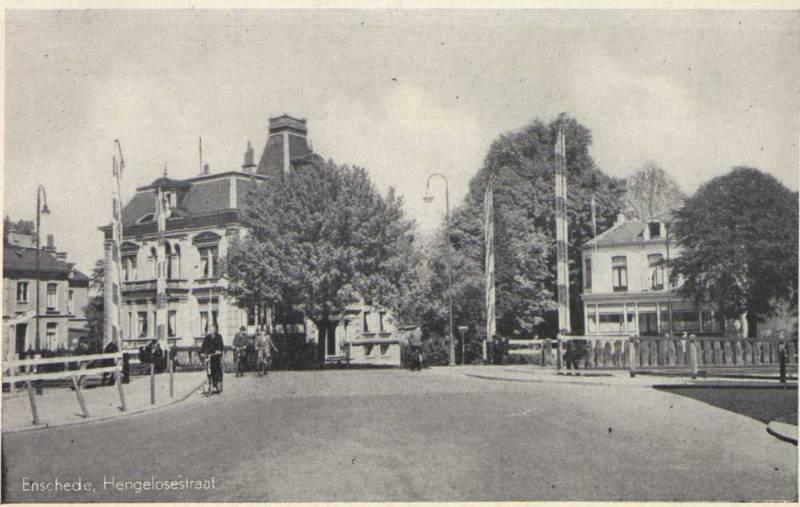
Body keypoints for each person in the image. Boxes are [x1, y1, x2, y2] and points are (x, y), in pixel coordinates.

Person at [201, 324, 225, 393]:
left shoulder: (219, 337)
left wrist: (219, 351)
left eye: (213, 330)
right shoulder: (207, 337)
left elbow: (221, 346)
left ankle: (215, 384)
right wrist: (202, 352)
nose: (212, 331)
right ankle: (209, 382)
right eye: (210, 330)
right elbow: (203, 346)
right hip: (209, 355)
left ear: (215, 330)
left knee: (216, 369)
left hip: (216, 356)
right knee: (208, 369)